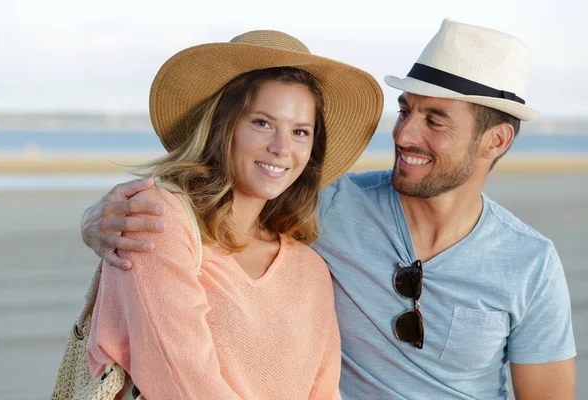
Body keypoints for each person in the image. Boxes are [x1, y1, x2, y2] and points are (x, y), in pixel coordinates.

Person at [81, 20, 577, 399]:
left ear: (496, 139)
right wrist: (98, 219)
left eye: (435, 120)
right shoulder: (328, 203)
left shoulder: (530, 263)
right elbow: (217, 198)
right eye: (404, 110)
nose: (403, 135)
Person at [84, 30, 384, 399]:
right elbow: (182, 381)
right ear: (223, 126)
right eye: (262, 123)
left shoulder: (310, 270)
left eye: (300, 131)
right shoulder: (161, 222)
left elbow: (323, 393)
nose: (281, 148)